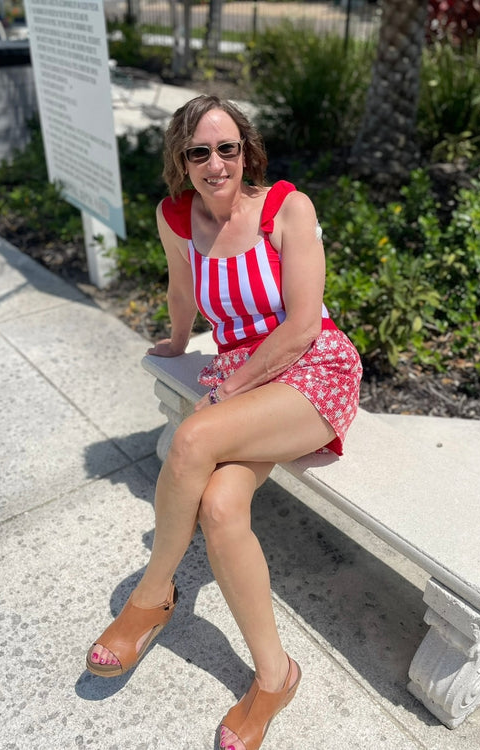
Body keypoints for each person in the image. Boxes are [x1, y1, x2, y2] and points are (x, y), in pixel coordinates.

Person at [86, 94, 363, 750]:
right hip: (247, 380)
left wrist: (229, 389)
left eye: (228, 148)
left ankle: (152, 597)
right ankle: (276, 677)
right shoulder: (176, 218)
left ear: (247, 151)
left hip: (311, 370)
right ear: (182, 160)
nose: (216, 163)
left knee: (192, 437)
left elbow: (300, 327)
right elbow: (183, 290)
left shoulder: (286, 210)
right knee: (218, 504)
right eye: (200, 152)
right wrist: (180, 341)